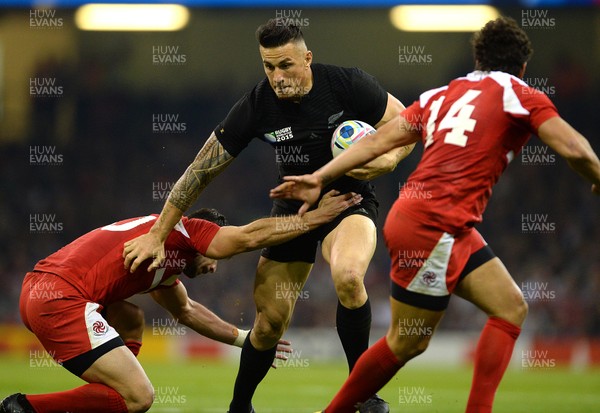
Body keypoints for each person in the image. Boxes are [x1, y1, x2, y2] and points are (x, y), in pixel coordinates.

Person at [270, 16, 600, 413]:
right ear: (523, 68)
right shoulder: (522, 94)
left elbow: (378, 141)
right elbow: (576, 150)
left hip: (430, 219)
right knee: (406, 342)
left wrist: (319, 175)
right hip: (435, 225)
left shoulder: (442, 94)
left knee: (512, 307)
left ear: (478, 60)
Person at [122, 18, 415, 413]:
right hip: (291, 212)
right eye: (269, 67)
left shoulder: (347, 84)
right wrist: (159, 232)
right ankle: (239, 408)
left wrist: (386, 162)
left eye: (286, 65)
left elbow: (406, 125)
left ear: (307, 58)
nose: (277, 76)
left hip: (348, 201)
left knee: (348, 277)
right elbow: (199, 171)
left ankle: (361, 397)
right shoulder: (257, 105)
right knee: (268, 324)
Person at [0, 190, 360, 413]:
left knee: (130, 318)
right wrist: (313, 220)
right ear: (202, 241)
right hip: (60, 298)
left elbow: (187, 311)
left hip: (40, 290)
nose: (214, 267)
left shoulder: (163, 260)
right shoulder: (185, 231)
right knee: (139, 398)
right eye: (212, 257)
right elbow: (251, 236)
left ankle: (109, 397)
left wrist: (244, 338)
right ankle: (23, 408)